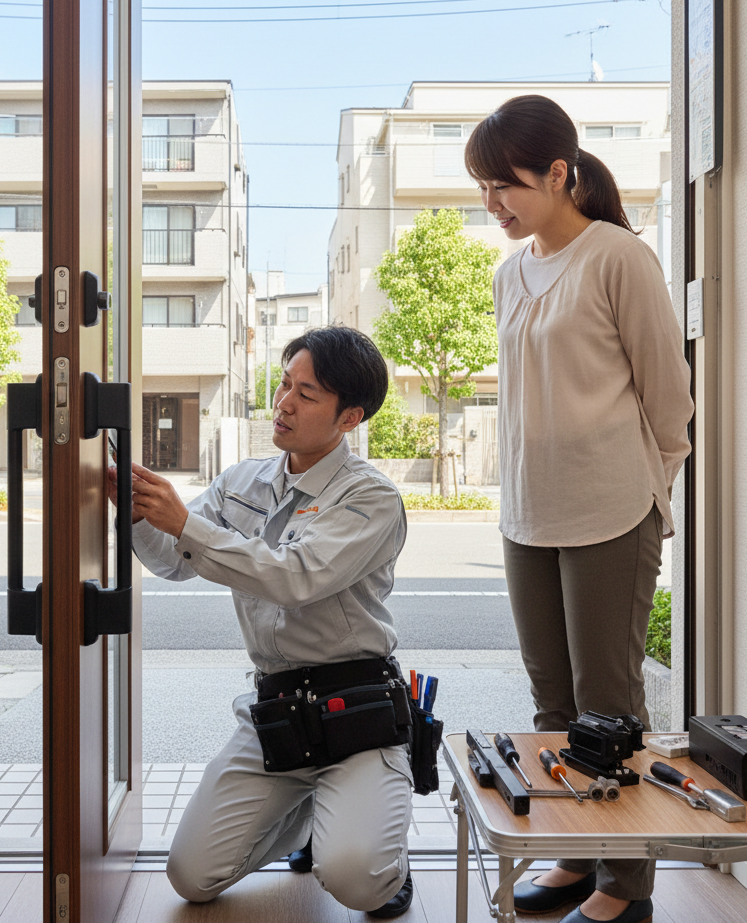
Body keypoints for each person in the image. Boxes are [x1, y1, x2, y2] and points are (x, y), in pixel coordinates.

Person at [464, 95, 694, 923]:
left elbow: (671, 404)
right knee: (552, 707)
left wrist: (649, 495)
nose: (494, 204)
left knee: (609, 706)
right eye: (484, 188)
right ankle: (573, 853)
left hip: (610, 513)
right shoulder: (508, 272)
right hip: (529, 514)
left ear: (559, 173)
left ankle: (624, 888)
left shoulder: (618, 258)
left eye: (505, 185)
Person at [110, 326, 414, 918]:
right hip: (277, 713)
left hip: (356, 711)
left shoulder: (370, 498)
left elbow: (294, 576)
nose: (283, 403)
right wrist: (137, 508)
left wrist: (186, 524)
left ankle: (379, 859)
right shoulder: (241, 482)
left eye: (307, 393)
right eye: (283, 384)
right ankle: (306, 824)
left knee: (356, 881)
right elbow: (176, 560)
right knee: (190, 876)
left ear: (349, 417)